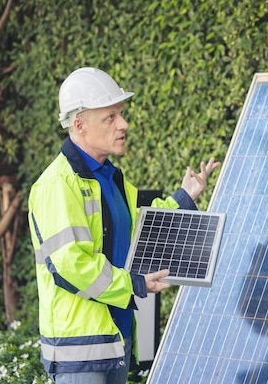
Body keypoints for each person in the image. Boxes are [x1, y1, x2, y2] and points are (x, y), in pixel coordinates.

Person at [28, 67, 220, 384]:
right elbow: (69, 265)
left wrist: (185, 197)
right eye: (111, 117)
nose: (124, 124)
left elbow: (139, 226)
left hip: (116, 338)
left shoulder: (112, 178)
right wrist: (134, 284)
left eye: (121, 114)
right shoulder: (57, 185)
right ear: (79, 126)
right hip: (80, 352)